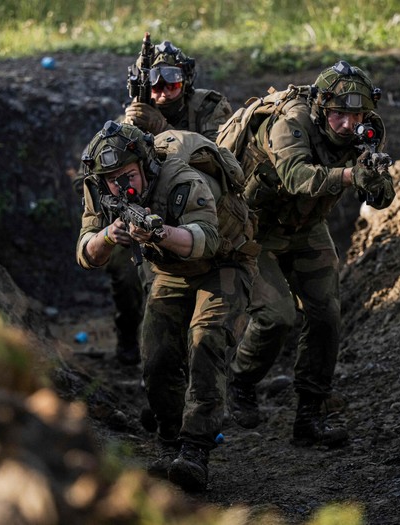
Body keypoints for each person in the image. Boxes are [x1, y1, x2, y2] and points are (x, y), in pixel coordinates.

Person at [223, 60, 396, 447]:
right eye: (339, 115)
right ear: (321, 108)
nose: (348, 125)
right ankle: (241, 380)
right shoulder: (292, 122)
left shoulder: (366, 133)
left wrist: (374, 177)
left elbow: (382, 196)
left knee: (326, 315)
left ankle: (309, 417)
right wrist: (352, 176)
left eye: (357, 115)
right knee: (277, 315)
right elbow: (297, 177)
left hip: (306, 229)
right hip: (256, 228)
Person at [76, 120, 255, 491]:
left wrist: (160, 232)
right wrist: (110, 235)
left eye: (127, 174)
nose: (120, 184)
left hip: (224, 260)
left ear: (144, 165)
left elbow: (205, 239)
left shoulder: (182, 181)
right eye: (111, 178)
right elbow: (84, 252)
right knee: (156, 355)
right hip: (171, 270)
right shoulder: (101, 187)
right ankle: (171, 440)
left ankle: (195, 451)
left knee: (206, 340)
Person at [72, 40, 233, 366]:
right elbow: (87, 181)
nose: (161, 92)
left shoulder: (207, 108)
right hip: (144, 217)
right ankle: (135, 340)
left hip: (200, 207)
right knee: (127, 274)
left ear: (186, 81)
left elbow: (223, 159)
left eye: (170, 82)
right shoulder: (127, 124)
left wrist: (159, 129)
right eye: (154, 84)